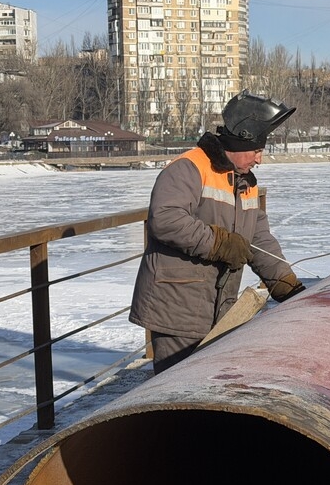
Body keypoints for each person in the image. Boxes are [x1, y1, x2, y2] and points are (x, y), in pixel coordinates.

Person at [129, 90, 306, 373]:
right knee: (180, 389)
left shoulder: (243, 182)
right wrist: (220, 243)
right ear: (240, 141)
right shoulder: (188, 168)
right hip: (178, 307)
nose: (259, 159)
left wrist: (284, 282)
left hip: (217, 306)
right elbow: (165, 218)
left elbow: (257, 239)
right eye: (257, 151)